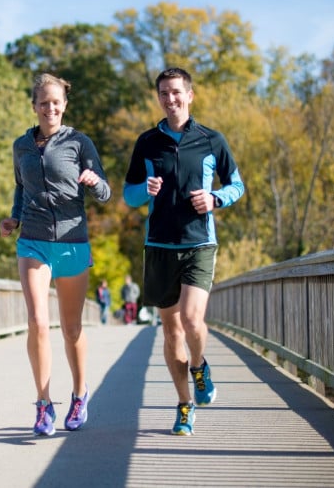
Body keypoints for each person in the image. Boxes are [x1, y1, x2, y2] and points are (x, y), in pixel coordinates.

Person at [123, 67, 244, 436]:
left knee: (192, 320)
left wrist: (215, 198)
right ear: (158, 98)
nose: (170, 99)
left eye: (176, 92)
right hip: (159, 246)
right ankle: (184, 404)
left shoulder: (211, 140)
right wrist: (147, 188)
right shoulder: (147, 142)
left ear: (190, 95)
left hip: (199, 242)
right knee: (171, 332)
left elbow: (236, 184)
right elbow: (129, 196)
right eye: (163, 93)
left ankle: (199, 365)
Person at [0, 73, 111, 436]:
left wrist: (94, 183)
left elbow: (106, 192)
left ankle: (80, 394)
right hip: (32, 239)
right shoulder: (21, 146)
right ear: (34, 106)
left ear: (64, 106)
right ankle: (44, 404)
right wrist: (14, 218)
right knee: (36, 321)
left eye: (56, 102)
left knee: (72, 328)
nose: (50, 108)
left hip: (72, 242)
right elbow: (21, 186)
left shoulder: (80, 143)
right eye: (43, 102)